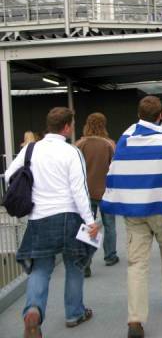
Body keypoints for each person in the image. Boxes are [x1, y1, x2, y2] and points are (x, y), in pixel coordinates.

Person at [100, 96, 162, 338]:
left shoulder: (125, 139)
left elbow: (115, 171)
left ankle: (135, 319)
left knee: (136, 264)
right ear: (160, 115)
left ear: (138, 114)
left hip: (134, 212)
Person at [5, 107, 99, 337]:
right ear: (67, 127)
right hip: (70, 216)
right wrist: (90, 221)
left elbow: (9, 176)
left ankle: (33, 311)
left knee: (40, 269)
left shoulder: (30, 149)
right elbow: (79, 190)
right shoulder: (71, 152)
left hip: (39, 218)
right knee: (75, 266)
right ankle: (74, 313)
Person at [76, 113, 119, 277]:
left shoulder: (79, 144)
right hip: (106, 192)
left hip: (86, 193)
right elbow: (115, 169)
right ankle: (110, 256)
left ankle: (86, 261)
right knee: (110, 225)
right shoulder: (109, 144)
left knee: (89, 225)